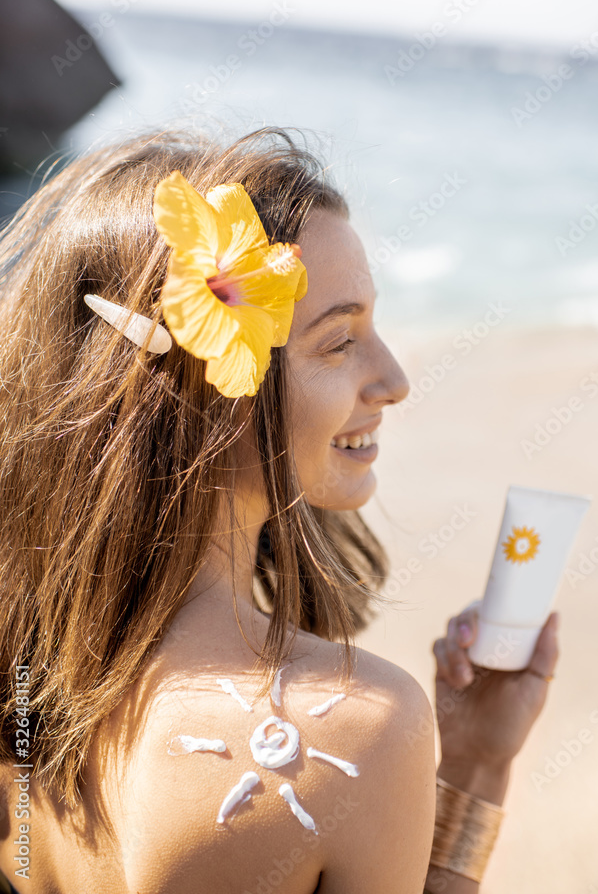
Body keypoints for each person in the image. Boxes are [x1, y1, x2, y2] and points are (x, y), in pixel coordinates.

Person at [0, 127, 558, 893]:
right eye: (338, 341)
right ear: (206, 382)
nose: (391, 378)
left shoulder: (27, 688)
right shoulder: (354, 728)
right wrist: (480, 773)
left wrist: (473, 760)